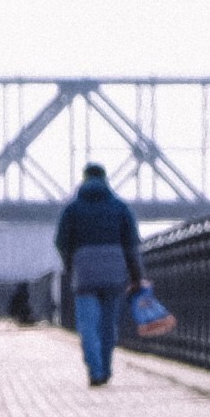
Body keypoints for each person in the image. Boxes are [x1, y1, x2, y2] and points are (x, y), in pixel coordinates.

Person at [53, 159, 143, 386]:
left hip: (84, 273)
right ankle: (106, 365)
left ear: (84, 179)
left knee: (87, 325)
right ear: (105, 179)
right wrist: (136, 277)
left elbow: (61, 242)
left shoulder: (72, 209)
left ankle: (95, 371)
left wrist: (71, 264)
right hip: (114, 271)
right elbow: (131, 246)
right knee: (108, 325)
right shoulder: (120, 207)